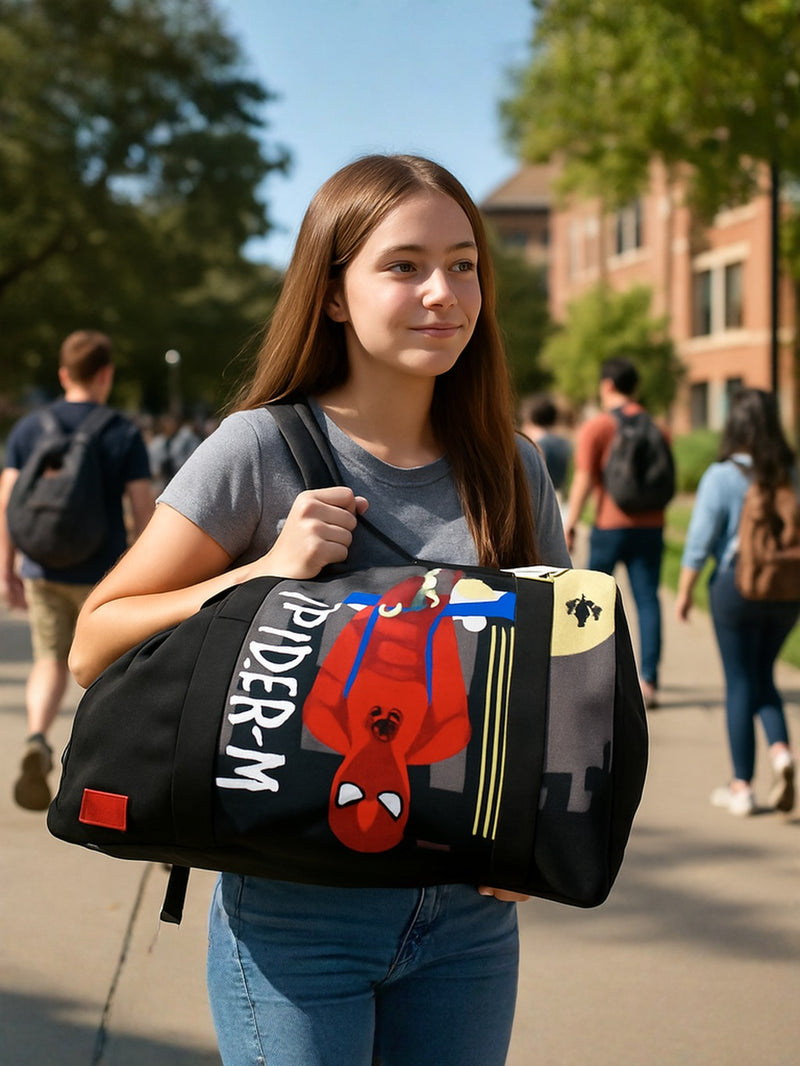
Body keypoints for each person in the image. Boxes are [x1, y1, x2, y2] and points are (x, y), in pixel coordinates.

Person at [69, 154, 571, 1066]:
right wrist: (261, 571)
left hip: (467, 925)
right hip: (296, 923)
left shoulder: (515, 466)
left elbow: (559, 678)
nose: (443, 293)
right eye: (404, 264)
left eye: (464, 265)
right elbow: (93, 641)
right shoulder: (259, 448)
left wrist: (532, 839)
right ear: (334, 293)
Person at [0, 330, 153, 811]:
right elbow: (145, 509)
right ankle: (96, 761)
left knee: (49, 659)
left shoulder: (29, 429)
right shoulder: (122, 432)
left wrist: (7, 568)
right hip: (103, 576)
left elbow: (8, 503)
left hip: (42, 567)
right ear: (106, 375)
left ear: (63, 375)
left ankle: (38, 737)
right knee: (104, 670)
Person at [675, 388, 797, 817]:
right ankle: (781, 754)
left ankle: (741, 786)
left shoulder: (723, 475)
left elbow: (699, 543)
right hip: (786, 590)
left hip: (736, 587)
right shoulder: (791, 472)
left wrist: (685, 592)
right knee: (763, 674)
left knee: (740, 681)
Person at [563, 357, 668, 708]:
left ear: (607, 385)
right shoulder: (659, 426)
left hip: (609, 526)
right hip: (651, 527)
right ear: (635, 387)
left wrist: (571, 522)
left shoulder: (598, 427)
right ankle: (649, 680)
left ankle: (590, 678)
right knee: (648, 601)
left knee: (593, 602)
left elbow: (583, 479)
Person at [519, 392, 572, 497]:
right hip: (561, 497)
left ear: (530, 419)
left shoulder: (536, 447)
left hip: (545, 498)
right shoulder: (564, 442)